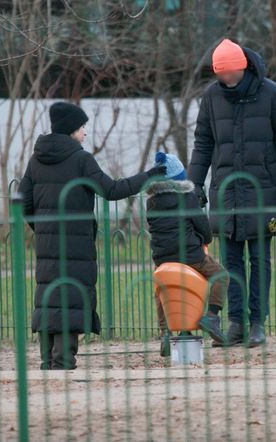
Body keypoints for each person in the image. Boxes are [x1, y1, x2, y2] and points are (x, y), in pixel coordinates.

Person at [18, 102, 166, 369]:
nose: (85, 133)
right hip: (76, 241)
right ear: (72, 129)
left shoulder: (36, 159)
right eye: (82, 127)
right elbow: (111, 190)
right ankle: (63, 359)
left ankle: (46, 359)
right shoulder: (80, 159)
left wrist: (41, 227)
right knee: (71, 295)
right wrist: (149, 176)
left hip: (46, 241)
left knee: (50, 294)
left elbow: (23, 202)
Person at [188, 38, 276, 347]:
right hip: (225, 191)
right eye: (220, 74)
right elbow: (203, 143)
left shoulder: (271, 93)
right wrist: (194, 184)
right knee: (230, 262)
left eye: (230, 73)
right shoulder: (211, 97)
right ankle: (235, 323)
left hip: (262, 189)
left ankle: (257, 323)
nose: (226, 80)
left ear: (243, 68)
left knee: (260, 259)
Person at [146, 152, 229, 356]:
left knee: (162, 289)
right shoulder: (187, 197)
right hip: (191, 256)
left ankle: (166, 332)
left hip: (162, 259)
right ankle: (211, 316)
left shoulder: (151, 202)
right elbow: (204, 228)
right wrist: (205, 241)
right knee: (221, 275)